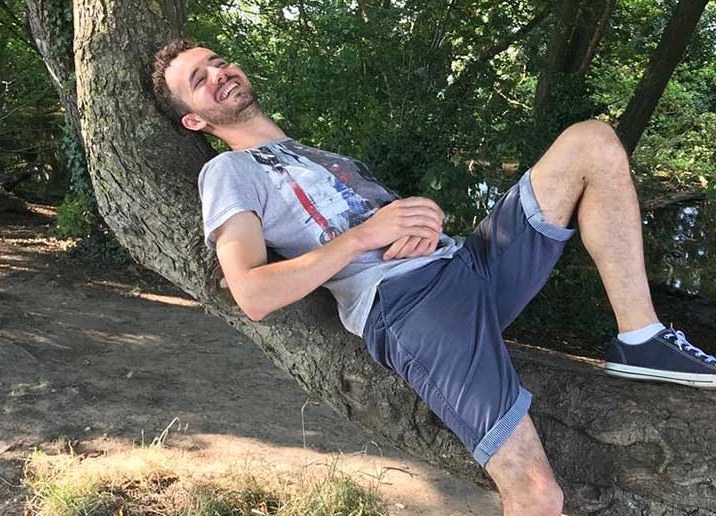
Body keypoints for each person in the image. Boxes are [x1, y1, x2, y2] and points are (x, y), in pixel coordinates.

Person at [151, 39, 715, 516]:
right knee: (537, 493)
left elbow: (383, 223)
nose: (219, 73)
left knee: (591, 141)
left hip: (463, 264)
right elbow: (251, 292)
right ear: (194, 119)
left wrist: (421, 218)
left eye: (218, 61)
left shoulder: (322, 156)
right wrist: (365, 237)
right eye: (199, 79)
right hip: (411, 306)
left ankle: (640, 338)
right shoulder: (226, 172)